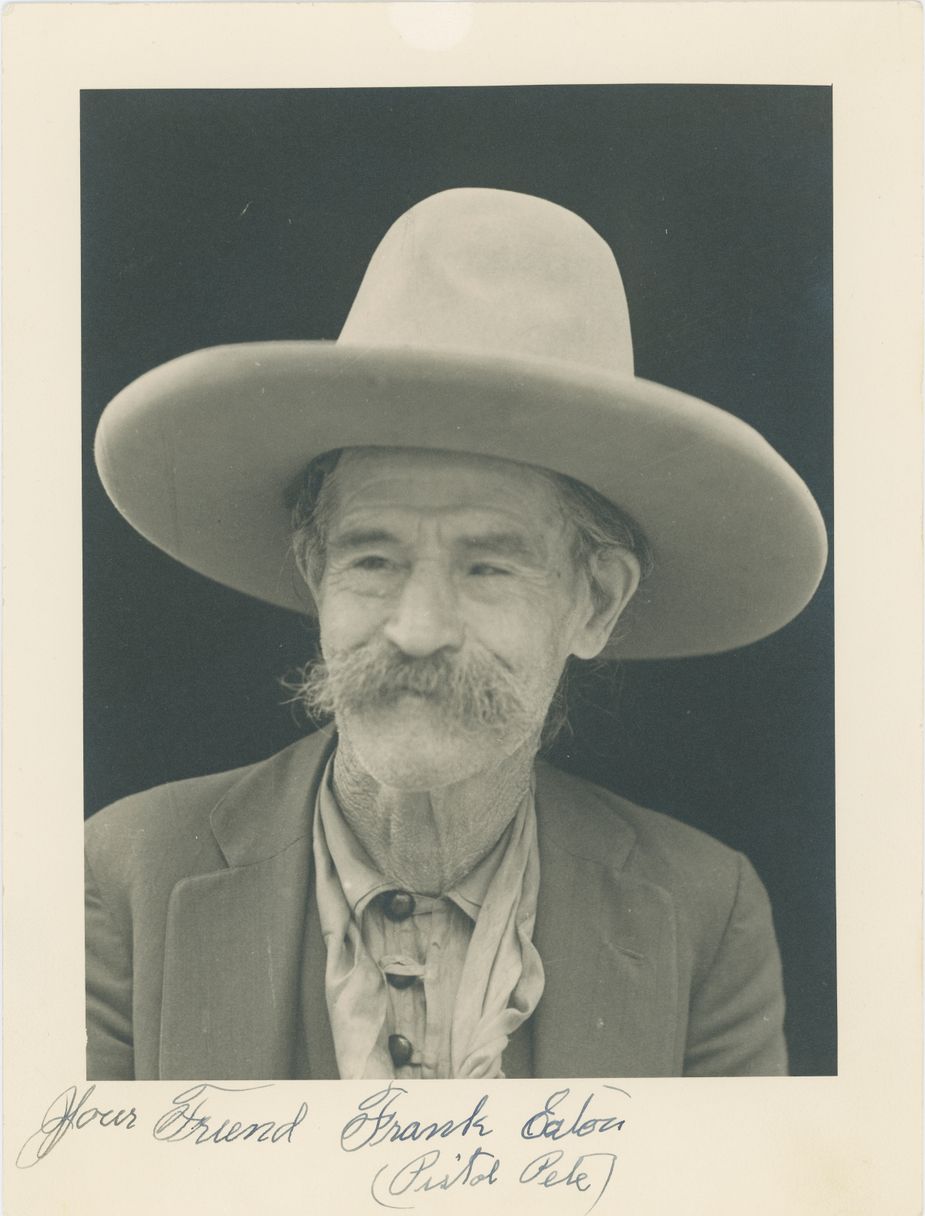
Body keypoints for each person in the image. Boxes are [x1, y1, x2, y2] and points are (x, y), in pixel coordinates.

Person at [86, 187, 827, 1081]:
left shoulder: (704, 913)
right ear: (315, 572)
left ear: (594, 603)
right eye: (372, 559)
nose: (418, 630)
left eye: (486, 567)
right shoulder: (124, 877)